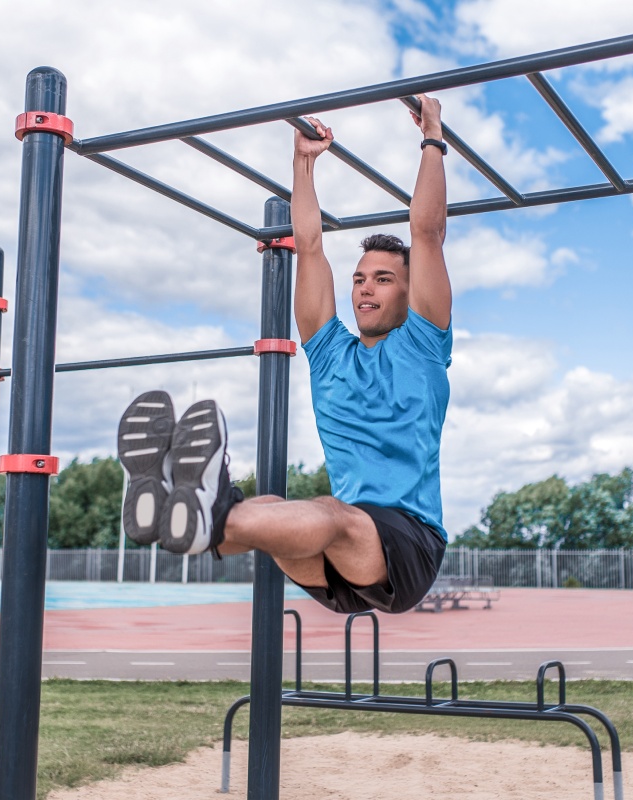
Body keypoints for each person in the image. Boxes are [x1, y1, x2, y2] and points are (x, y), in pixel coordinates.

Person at [118, 94, 452, 614]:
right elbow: (310, 247)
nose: (365, 289)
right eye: (360, 279)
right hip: (337, 560)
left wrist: (432, 136)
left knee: (327, 512)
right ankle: (178, 513)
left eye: (383, 279)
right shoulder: (329, 353)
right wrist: (303, 162)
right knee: (276, 510)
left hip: (408, 546)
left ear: (411, 291)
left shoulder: (424, 343)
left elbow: (426, 232)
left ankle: (209, 508)